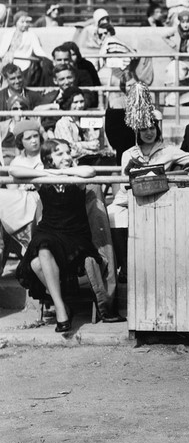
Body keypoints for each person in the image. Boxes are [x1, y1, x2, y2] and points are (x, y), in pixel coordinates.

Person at [13, 139, 124, 331]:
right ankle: (62, 309)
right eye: (59, 154)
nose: (66, 157)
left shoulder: (75, 178)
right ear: (48, 158)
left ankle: (62, 309)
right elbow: (14, 173)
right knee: (42, 249)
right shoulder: (43, 181)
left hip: (75, 236)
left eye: (67, 153)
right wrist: (50, 174)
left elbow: (89, 172)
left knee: (37, 261)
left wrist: (61, 172)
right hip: (48, 231)